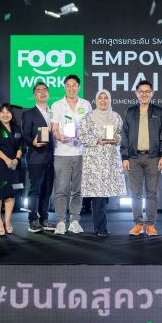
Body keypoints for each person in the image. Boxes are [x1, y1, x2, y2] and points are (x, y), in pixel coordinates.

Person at [120, 80, 162, 236]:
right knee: (135, 193)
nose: (144, 94)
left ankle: (150, 225)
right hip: (134, 158)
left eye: (147, 91)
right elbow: (124, 135)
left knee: (151, 193)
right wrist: (125, 157)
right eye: (141, 91)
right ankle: (137, 224)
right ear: (136, 93)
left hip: (153, 157)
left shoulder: (158, 111)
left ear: (152, 93)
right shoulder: (130, 112)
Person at [77, 89, 126, 237]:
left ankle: (101, 226)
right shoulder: (89, 117)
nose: (103, 100)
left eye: (106, 98)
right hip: (94, 162)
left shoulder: (116, 117)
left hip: (110, 161)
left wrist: (116, 139)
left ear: (109, 100)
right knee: (98, 195)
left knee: (105, 196)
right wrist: (97, 140)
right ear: (96, 100)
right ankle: (100, 227)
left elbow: (122, 135)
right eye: (100, 98)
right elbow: (81, 135)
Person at [51, 75, 92, 235]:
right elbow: (54, 129)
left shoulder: (86, 104)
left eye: (74, 85)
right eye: (68, 85)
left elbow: (89, 127)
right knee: (61, 188)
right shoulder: (57, 105)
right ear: (64, 87)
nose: (71, 88)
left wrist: (84, 137)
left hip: (81, 152)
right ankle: (61, 221)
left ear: (79, 87)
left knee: (78, 189)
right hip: (62, 152)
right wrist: (59, 136)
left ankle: (75, 221)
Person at [21, 82, 55, 233]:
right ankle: (33, 220)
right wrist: (33, 142)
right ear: (34, 95)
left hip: (52, 158)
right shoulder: (28, 114)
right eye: (38, 90)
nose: (42, 93)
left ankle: (44, 219)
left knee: (47, 191)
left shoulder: (53, 112)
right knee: (35, 191)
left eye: (45, 90)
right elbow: (25, 136)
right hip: (36, 157)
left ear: (48, 93)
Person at [0, 103, 23, 235]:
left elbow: (21, 146)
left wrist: (16, 159)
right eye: (2, 112)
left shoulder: (17, 128)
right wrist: (7, 160)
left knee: (10, 193)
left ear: (12, 114)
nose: (5, 114)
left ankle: (7, 221)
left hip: (13, 165)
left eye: (8, 112)